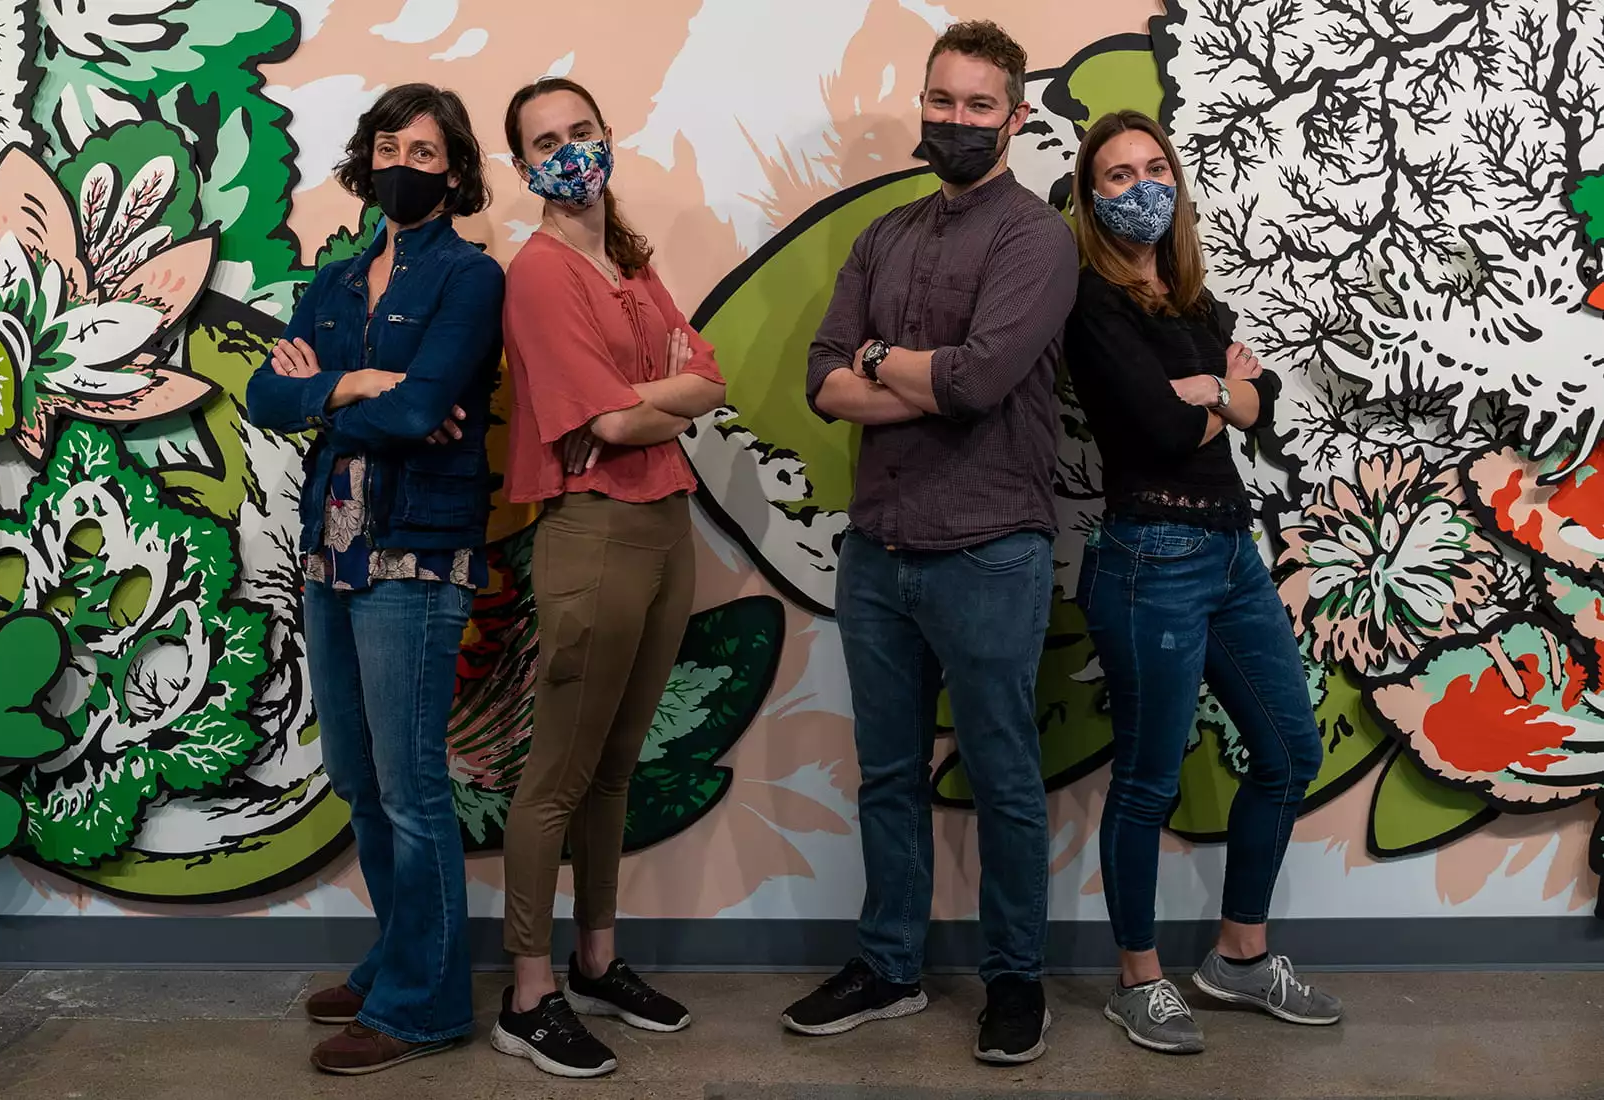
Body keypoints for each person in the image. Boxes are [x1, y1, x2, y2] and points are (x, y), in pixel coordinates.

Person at [786, 20, 1077, 1066]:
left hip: (991, 549)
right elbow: (824, 378)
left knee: (1003, 776)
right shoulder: (885, 236)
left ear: (1015, 115)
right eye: (940, 101)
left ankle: (1013, 980)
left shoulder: (1036, 238)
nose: (954, 121)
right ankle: (888, 964)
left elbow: (982, 381)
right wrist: (910, 367)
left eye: (977, 106)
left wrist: (893, 367)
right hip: (878, 552)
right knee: (888, 774)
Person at [1064, 109, 1343, 1055]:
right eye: (1115, 176)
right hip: (1148, 561)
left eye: (1154, 167)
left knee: (1290, 754)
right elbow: (1159, 429)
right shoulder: (1090, 304)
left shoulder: (1194, 300)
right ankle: (1137, 980)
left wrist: (1218, 394)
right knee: (1147, 780)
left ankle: (1239, 960)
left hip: (1231, 554)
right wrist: (1220, 393)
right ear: (1089, 197)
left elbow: (1251, 411)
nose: (1141, 187)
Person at [244, 83, 503, 1075]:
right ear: (368, 156)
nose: (405, 161)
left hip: (417, 550)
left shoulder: (469, 278)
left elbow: (428, 406)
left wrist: (356, 399)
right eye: (391, 143)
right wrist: (355, 386)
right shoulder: (339, 280)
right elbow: (269, 394)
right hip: (332, 547)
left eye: (426, 150)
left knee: (409, 789)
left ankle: (423, 1003)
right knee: (356, 777)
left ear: (453, 170)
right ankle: (400, 953)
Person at [490, 77, 726, 1081]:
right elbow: (614, 424)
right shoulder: (541, 274)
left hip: (667, 523)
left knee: (619, 763)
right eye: (546, 140)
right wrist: (659, 397)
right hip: (593, 533)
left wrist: (650, 399)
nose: (569, 150)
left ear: (607, 136)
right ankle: (529, 990)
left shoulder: (627, 260)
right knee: (559, 774)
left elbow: (711, 377)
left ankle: (596, 958)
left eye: (582, 130)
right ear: (521, 165)